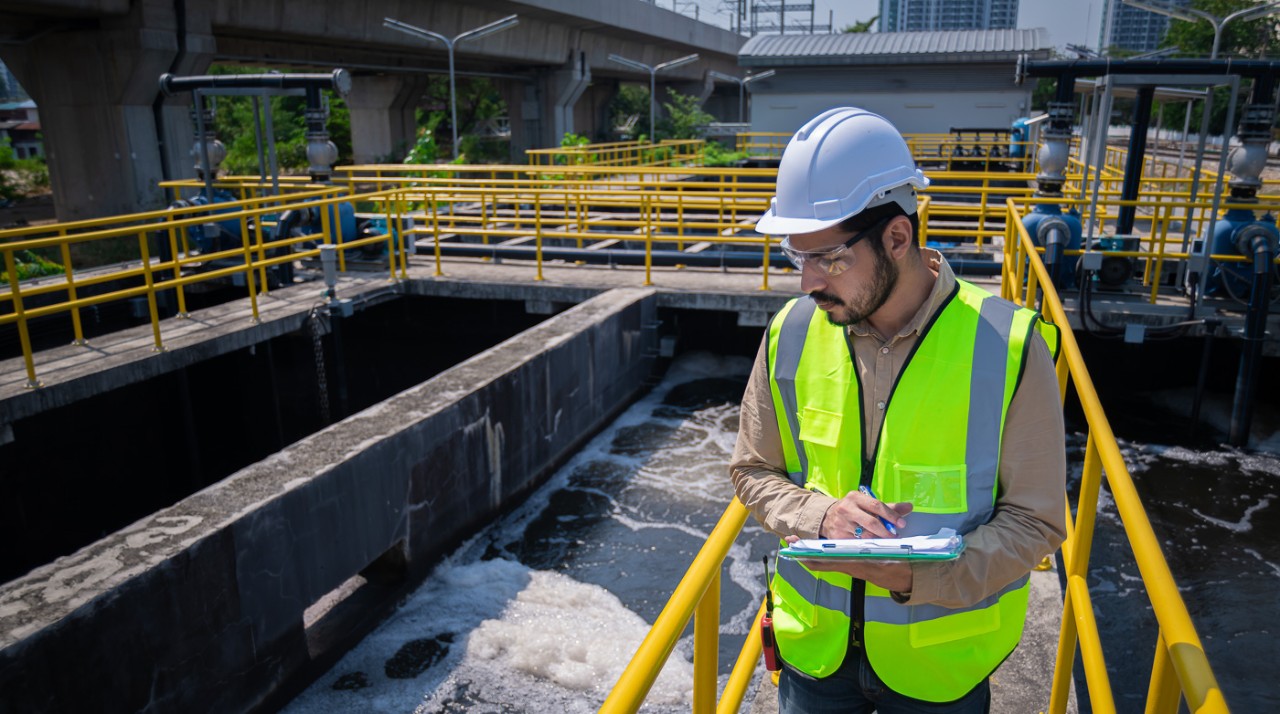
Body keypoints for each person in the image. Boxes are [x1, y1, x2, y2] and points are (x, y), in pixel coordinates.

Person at [730, 107, 1067, 713]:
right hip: (815, 660)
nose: (808, 282)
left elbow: (1037, 523)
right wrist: (820, 515)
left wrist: (920, 578)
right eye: (795, 256)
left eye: (828, 258)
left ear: (897, 237)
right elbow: (753, 470)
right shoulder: (792, 333)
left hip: (940, 669)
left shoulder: (1009, 346)